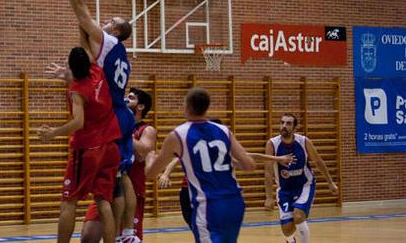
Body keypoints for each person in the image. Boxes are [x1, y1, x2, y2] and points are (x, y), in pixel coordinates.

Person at [46, 0, 138, 241]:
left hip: (103, 125)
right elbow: (85, 44)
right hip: (117, 119)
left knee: (78, 197)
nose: (105, 21)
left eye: (110, 21)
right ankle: (123, 234)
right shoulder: (120, 57)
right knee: (110, 191)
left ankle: (126, 233)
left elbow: (79, 13)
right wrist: (71, 73)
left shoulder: (108, 42)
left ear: (115, 31)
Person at [145, 88, 256, 243]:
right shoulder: (224, 130)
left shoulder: (178, 135)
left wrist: (150, 158)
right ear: (206, 107)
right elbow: (249, 165)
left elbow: (150, 174)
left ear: (187, 106)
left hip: (208, 205)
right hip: (235, 202)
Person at [39, 47, 122, 243]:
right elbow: (86, 84)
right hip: (110, 146)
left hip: (88, 150)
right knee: (103, 201)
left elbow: (79, 122)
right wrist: (67, 75)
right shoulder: (97, 71)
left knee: (68, 202)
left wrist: (53, 133)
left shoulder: (77, 92)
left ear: (72, 68)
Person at [157, 119, 296, 229]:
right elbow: (177, 159)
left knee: (207, 230)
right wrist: (165, 174)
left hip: (210, 195)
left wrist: (277, 159)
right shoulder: (198, 145)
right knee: (199, 229)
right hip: (189, 193)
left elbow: (252, 155)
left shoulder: (222, 149)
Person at [80, 88, 156, 242]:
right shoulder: (116, 120)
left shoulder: (146, 129)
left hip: (131, 191)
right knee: (88, 236)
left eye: (131, 98)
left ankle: (128, 232)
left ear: (141, 106)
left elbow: (142, 151)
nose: (126, 100)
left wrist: (124, 132)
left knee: (124, 239)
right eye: (126, 97)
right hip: (107, 186)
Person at [265, 113, 339, 243]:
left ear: (295, 127)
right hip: (285, 189)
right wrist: (269, 197)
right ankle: (290, 240)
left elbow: (318, 161)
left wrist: (330, 182)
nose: (284, 126)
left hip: (304, 185)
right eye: (282, 122)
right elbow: (268, 172)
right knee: (287, 229)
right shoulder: (272, 144)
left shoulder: (304, 141)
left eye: (288, 123)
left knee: (298, 217)